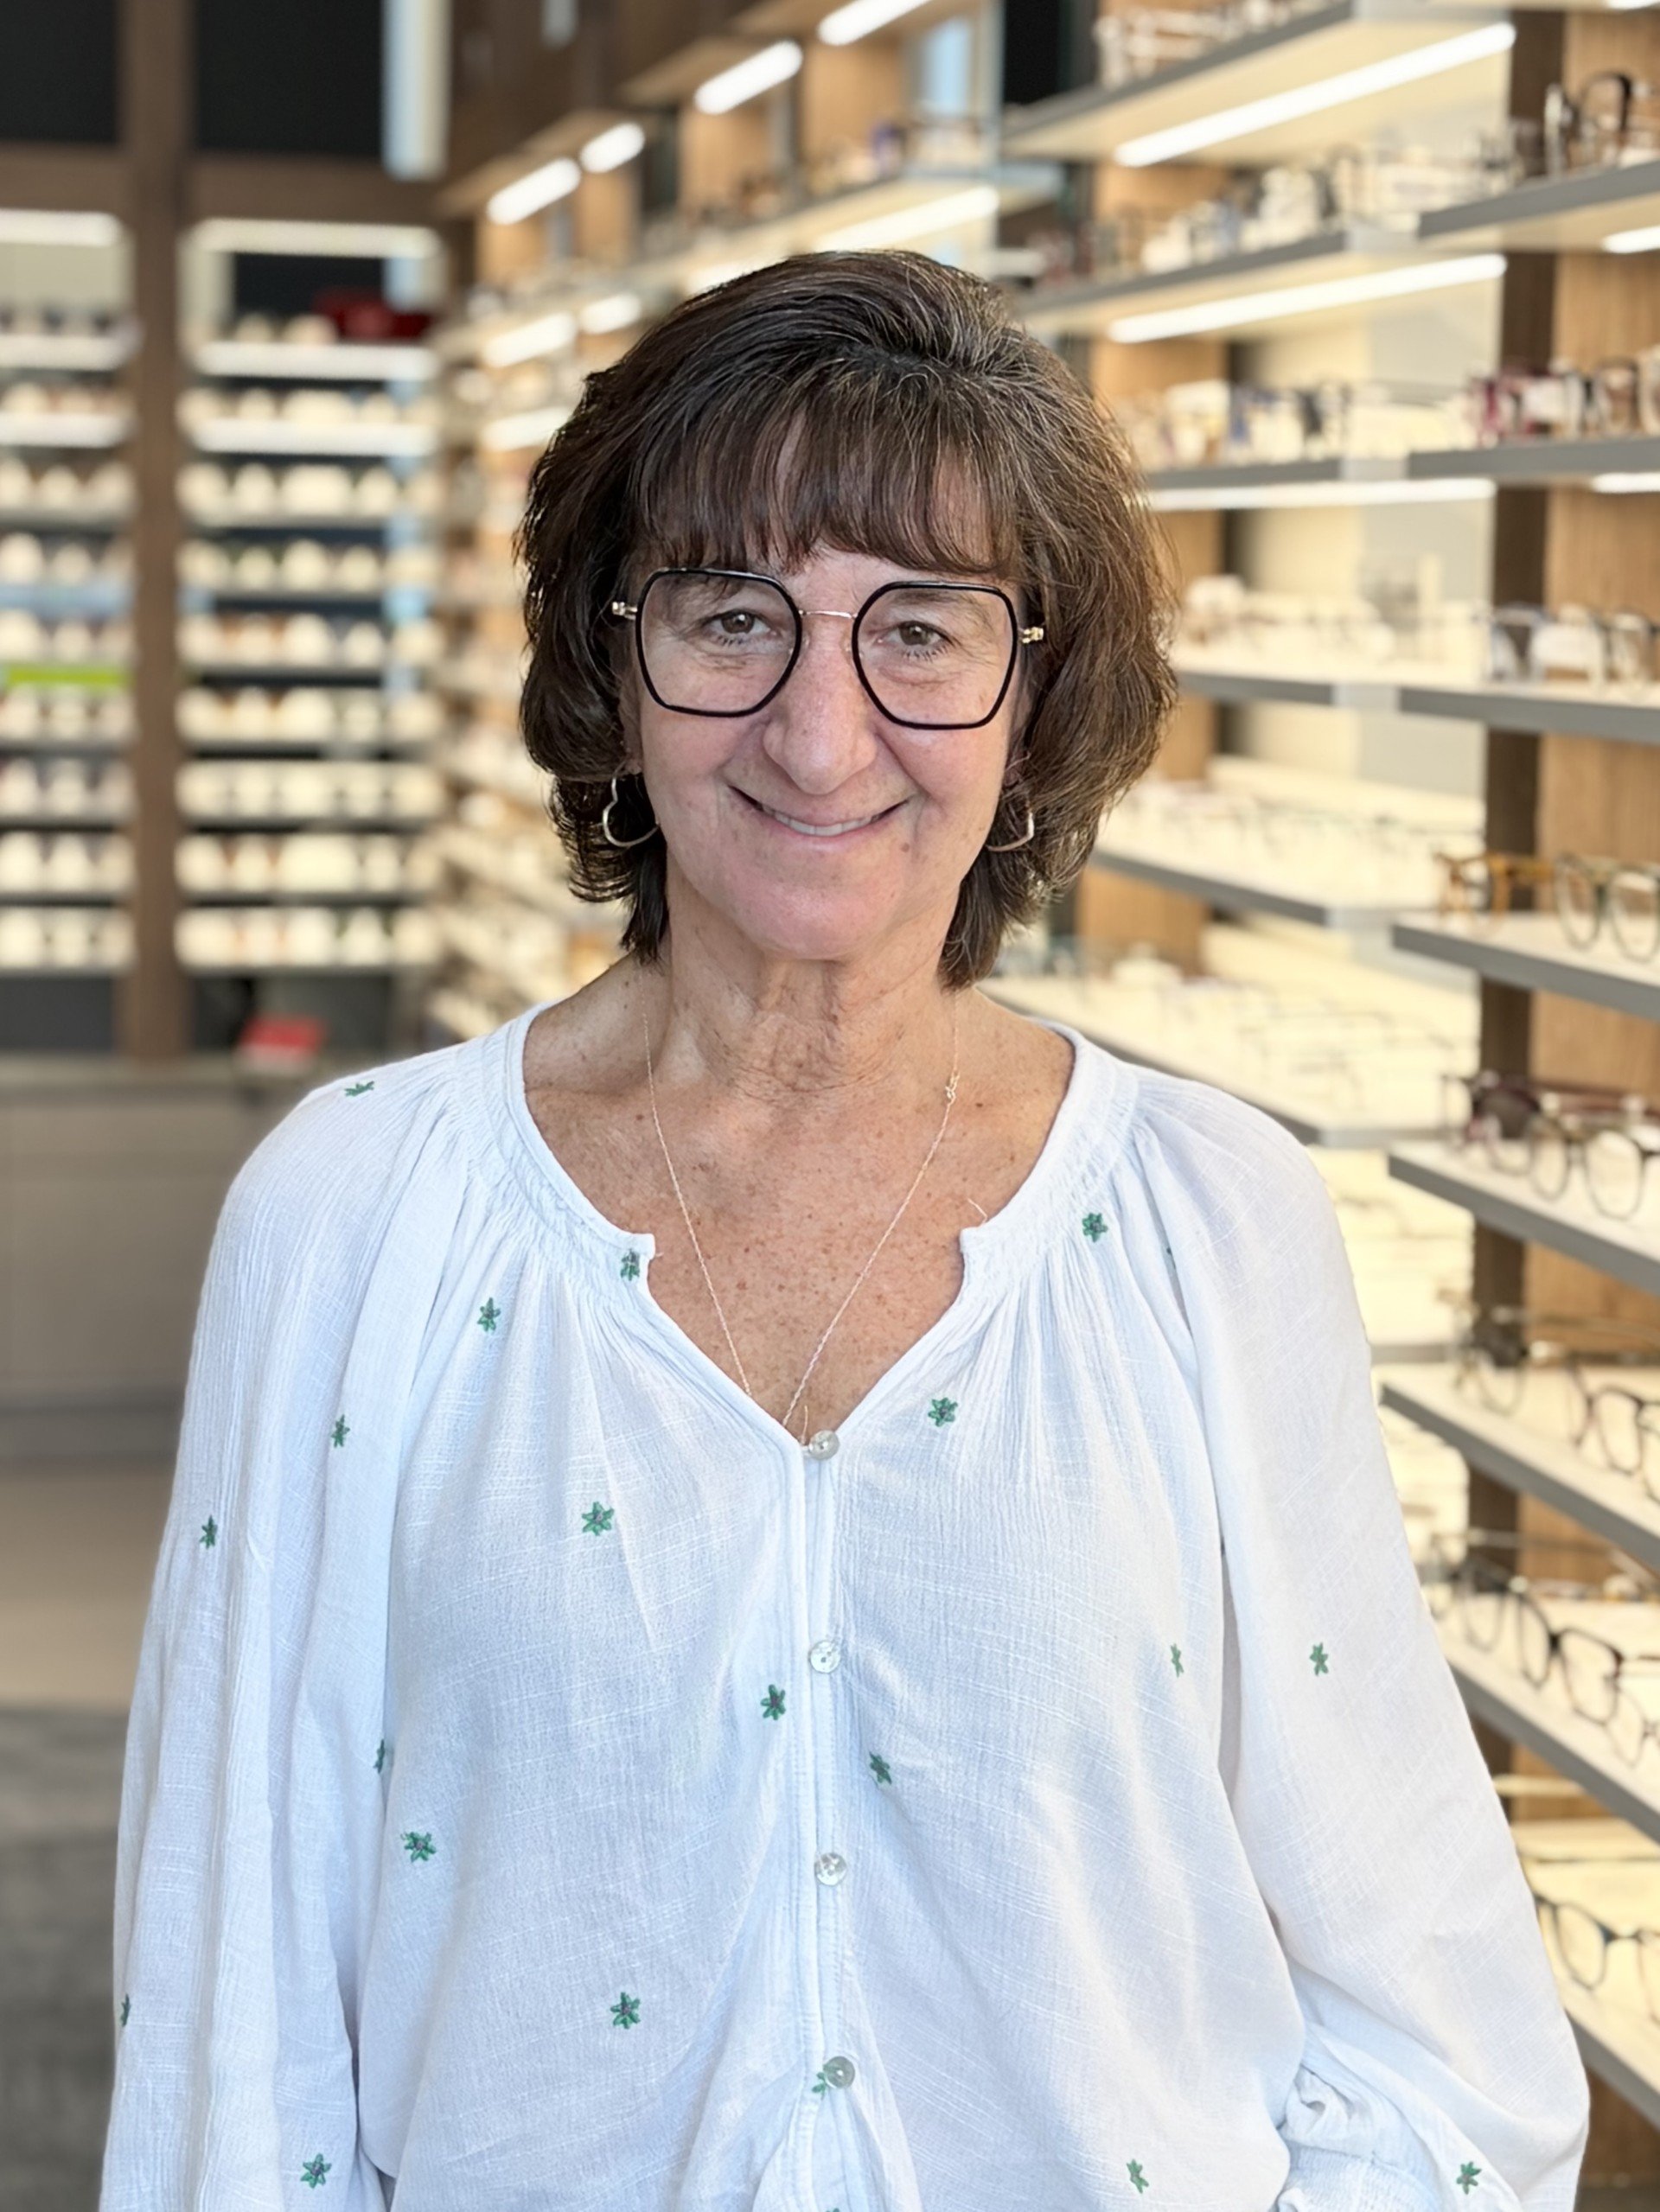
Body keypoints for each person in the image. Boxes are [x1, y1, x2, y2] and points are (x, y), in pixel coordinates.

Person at [99, 251, 1587, 2212]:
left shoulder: (1210, 1224)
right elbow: (236, 2013)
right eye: (733, 617)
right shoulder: (361, 1217)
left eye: (923, 630)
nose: (819, 737)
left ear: (1034, 696)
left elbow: (1435, 2013)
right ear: (612, 671)